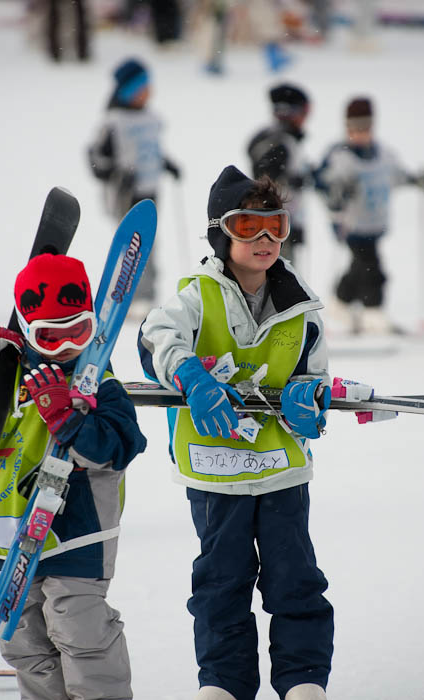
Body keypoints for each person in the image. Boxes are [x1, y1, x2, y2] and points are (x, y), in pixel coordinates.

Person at [138, 165, 334, 700]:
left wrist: (307, 397)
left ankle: (303, 681)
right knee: (221, 584)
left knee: (295, 579)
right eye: (248, 227)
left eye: (277, 226)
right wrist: (190, 376)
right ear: (220, 233)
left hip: (280, 468)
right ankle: (222, 684)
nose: (266, 240)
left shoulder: (303, 307)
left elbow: (314, 374)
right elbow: (156, 333)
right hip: (216, 469)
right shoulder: (198, 295)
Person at [0, 253, 147, 700]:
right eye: (48, 334)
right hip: (10, 531)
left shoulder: (95, 380)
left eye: (76, 330)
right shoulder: (4, 376)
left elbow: (121, 448)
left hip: (75, 530)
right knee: (23, 641)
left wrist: (68, 419)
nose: (63, 345)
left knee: (80, 631)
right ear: (26, 328)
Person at [314, 96, 424, 334]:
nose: (360, 134)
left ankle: (341, 302)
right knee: (371, 268)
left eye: (365, 128)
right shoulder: (340, 156)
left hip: (375, 223)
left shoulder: (383, 154)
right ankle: (373, 311)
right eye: (355, 129)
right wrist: (339, 192)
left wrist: (415, 180)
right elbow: (321, 182)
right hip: (351, 225)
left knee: (359, 266)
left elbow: (397, 175)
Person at [87, 57, 181, 318]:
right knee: (130, 244)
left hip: (150, 190)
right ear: (129, 91)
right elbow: (95, 158)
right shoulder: (114, 121)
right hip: (125, 193)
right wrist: (114, 172)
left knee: (149, 242)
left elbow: (152, 151)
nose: (148, 93)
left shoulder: (152, 118)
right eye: (143, 87)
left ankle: (147, 293)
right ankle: (125, 294)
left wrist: (167, 164)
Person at [247, 83, 311, 269]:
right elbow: (265, 174)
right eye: (304, 112)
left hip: (284, 220)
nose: (305, 119)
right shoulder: (278, 142)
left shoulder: (286, 140)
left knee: (286, 270)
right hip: (274, 222)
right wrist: (291, 179)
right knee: (281, 271)